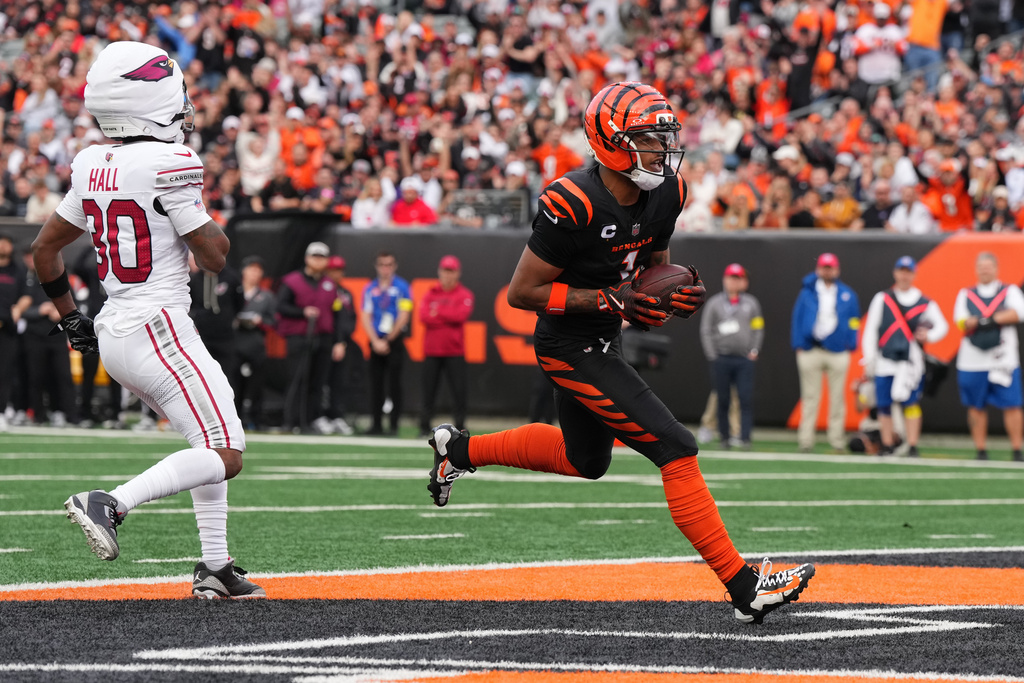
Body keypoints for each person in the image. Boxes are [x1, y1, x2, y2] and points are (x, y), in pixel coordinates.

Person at [425, 83, 814, 625]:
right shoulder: (572, 200)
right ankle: (744, 585)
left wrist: (667, 298)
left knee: (587, 461)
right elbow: (523, 294)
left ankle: (458, 451)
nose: (661, 150)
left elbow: (652, 266)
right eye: (648, 140)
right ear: (609, 141)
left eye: (663, 138)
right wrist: (610, 298)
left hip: (607, 334)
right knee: (676, 446)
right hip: (566, 343)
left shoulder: (667, 193)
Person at [30, 41, 263, 598]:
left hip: (114, 328)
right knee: (227, 453)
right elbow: (214, 256)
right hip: (159, 326)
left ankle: (215, 566)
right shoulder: (172, 161)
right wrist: (193, 209)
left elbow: (44, 250)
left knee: (203, 442)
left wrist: (69, 320)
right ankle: (111, 502)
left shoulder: (91, 162)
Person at [859, 256, 948, 457]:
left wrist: (929, 335)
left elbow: (942, 326)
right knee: (884, 404)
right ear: (895, 273)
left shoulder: (924, 302)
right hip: (885, 360)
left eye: (908, 271)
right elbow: (871, 329)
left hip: (910, 363)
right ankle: (887, 443)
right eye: (901, 270)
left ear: (914, 274)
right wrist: (869, 358)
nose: (904, 275)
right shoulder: (883, 298)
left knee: (911, 403)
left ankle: (912, 444)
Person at [953, 252, 1024, 461]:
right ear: (976, 269)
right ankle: (981, 450)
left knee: (1012, 404)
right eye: (981, 266)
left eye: (988, 266)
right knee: (976, 406)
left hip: (1002, 360)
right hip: (972, 360)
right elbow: (961, 321)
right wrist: (995, 319)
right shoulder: (966, 293)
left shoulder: (1009, 290)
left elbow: (1019, 313)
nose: (985, 270)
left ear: (996, 267)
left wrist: (986, 320)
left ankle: (1017, 449)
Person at [791, 252, 861, 452]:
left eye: (830, 267)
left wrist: (852, 343)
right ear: (818, 269)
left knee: (837, 398)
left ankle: (837, 440)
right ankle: (806, 441)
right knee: (810, 397)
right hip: (811, 349)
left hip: (837, 351)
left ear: (837, 269)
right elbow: (797, 319)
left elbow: (854, 320)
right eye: (824, 267)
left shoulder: (847, 293)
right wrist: (799, 345)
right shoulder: (808, 292)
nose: (827, 270)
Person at [275, 241, 340, 434]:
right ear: (307, 258)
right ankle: (291, 420)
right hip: (299, 336)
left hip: (323, 337)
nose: (318, 261)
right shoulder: (292, 281)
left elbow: (336, 314)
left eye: (322, 257)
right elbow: (281, 306)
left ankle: (311, 420)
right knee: (297, 379)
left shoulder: (330, 285)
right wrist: (302, 312)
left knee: (317, 382)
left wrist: (338, 340)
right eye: (315, 256)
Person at [699, 263, 764, 449]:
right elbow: (706, 330)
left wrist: (754, 350)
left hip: (744, 359)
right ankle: (725, 437)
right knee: (723, 398)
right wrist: (713, 354)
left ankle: (744, 438)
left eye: (737, 278)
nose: (733, 282)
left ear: (743, 282)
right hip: (722, 357)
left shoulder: (751, 303)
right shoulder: (714, 303)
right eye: (731, 278)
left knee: (745, 398)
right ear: (724, 280)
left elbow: (758, 328)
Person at [418, 254, 475, 437]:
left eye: (451, 271)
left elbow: (460, 316)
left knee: (459, 392)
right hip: (432, 350)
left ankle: (460, 427)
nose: (447, 275)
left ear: (458, 273)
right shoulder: (430, 293)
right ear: (439, 272)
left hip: (454, 350)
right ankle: (423, 426)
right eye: (445, 271)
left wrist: (438, 312)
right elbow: (423, 316)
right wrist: (447, 314)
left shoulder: (465, 294)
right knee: (428, 391)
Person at [360, 250, 413, 436]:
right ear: (377, 266)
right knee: (376, 385)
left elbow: (404, 315)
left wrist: (388, 339)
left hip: (394, 341)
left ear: (395, 266)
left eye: (389, 264)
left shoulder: (402, 287)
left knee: (394, 385)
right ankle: (375, 424)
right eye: (382, 264)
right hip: (375, 341)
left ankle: (393, 425)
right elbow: (365, 316)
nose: (385, 268)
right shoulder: (370, 288)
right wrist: (375, 340)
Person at [235, 256, 276, 430]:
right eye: (251, 268)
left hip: (256, 344)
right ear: (243, 271)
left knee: (256, 386)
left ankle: (255, 419)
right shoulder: (234, 291)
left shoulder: (266, 296)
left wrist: (261, 321)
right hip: (235, 344)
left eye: (258, 270)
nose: (255, 273)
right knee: (233, 385)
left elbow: (273, 321)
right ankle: (233, 420)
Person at [0, 234, 31, 432]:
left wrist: (18, 309)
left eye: (6, 243)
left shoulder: (18, 270)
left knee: (4, 373)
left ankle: (1, 412)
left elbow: (26, 296)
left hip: (7, 329)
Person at [325, 255, 357, 436]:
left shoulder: (346, 294)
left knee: (339, 381)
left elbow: (351, 319)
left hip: (342, 344)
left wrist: (342, 341)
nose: (336, 274)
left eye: (339, 270)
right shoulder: (322, 289)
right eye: (333, 270)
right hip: (324, 342)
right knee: (320, 381)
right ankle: (320, 416)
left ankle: (336, 416)